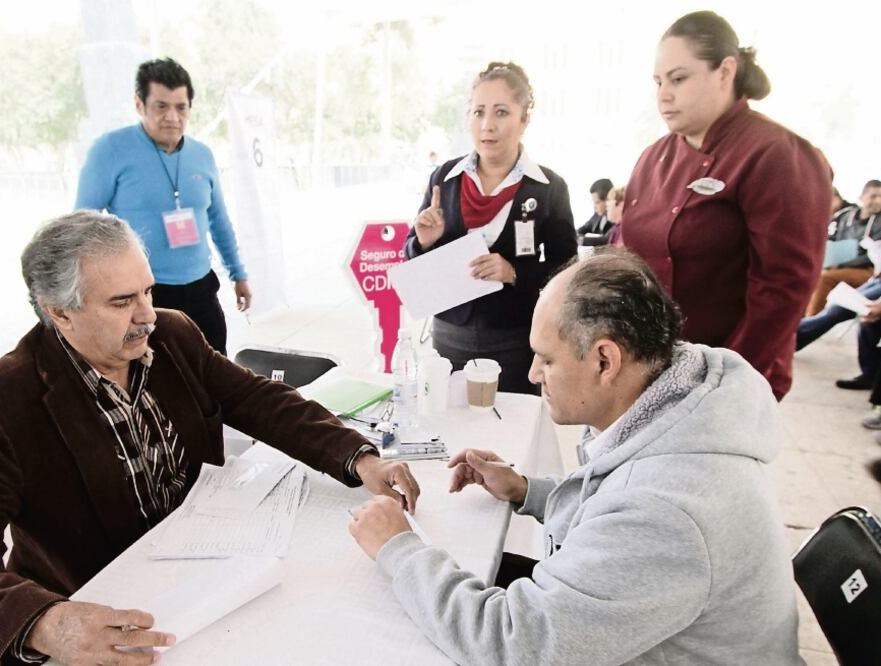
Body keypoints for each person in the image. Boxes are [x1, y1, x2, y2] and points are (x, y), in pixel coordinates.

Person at [0, 211, 420, 666]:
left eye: (148, 291)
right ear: (59, 312)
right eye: (122, 301)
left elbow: (260, 401)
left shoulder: (172, 335)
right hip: (105, 605)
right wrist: (46, 623)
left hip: (209, 575)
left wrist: (357, 456)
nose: (147, 314)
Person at [349, 250, 801, 665]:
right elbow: (615, 503)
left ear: (606, 361)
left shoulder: (665, 512)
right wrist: (529, 490)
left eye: (547, 360)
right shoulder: (678, 398)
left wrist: (399, 549)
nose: (532, 374)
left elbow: (512, 645)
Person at [619, 10, 832, 401]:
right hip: (648, 368)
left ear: (725, 71)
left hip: (726, 376)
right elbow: (623, 251)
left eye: (679, 79)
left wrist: (722, 381)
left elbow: (782, 289)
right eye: (658, 82)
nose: (664, 95)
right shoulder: (653, 157)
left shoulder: (775, 154)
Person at [405, 61, 577, 395]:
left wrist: (515, 272)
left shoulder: (548, 187)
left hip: (516, 336)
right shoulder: (444, 178)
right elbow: (412, 252)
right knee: (449, 425)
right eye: (478, 112)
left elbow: (567, 269)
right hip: (449, 334)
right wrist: (424, 243)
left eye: (501, 112)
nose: (487, 125)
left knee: (512, 429)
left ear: (524, 119)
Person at [76, 57, 248, 355]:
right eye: (161, 106)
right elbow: (82, 227)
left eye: (181, 107)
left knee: (215, 371)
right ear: (139, 105)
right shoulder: (110, 151)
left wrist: (238, 274)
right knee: (158, 380)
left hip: (202, 288)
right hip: (145, 296)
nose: (172, 117)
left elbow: (219, 219)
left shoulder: (203, 155)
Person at [805, 179, 881, 316]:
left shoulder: (879, 222)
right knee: (808, 273)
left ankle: (808, 323)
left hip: (868, 270)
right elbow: (829, 240)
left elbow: (874, 255)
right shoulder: (844, 216)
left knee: (824, 278)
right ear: (862, 196)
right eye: (874, 196)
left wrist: (841, 264)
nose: (878, 201)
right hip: (837, 265)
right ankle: (795, 320)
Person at [576, 178, 614, 244]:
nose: (594, 206)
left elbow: (605, 240)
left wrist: (580, 240)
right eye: (593, 202)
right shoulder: (597, 215)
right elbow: (583, 228)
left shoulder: (618, 220)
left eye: (597, 202)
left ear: (608, 200)